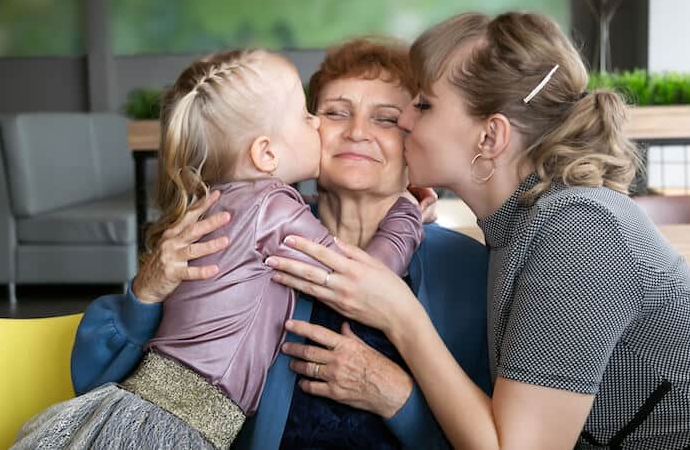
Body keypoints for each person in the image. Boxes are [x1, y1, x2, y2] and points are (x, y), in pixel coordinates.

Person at [266, 12, 690, 449]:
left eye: (424, 106)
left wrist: (401, 314)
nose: (406, 122)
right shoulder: (518, 228)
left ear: (490, 137)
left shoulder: (580, 228)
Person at [67, 39, 492, 449]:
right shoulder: (218, 234)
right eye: (334, 113)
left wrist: (399, 398)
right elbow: (96, 383)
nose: (357, 132)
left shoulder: (467, 269)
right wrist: (145, 294)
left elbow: (501, 440)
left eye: (385, 118)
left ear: (414, 142)